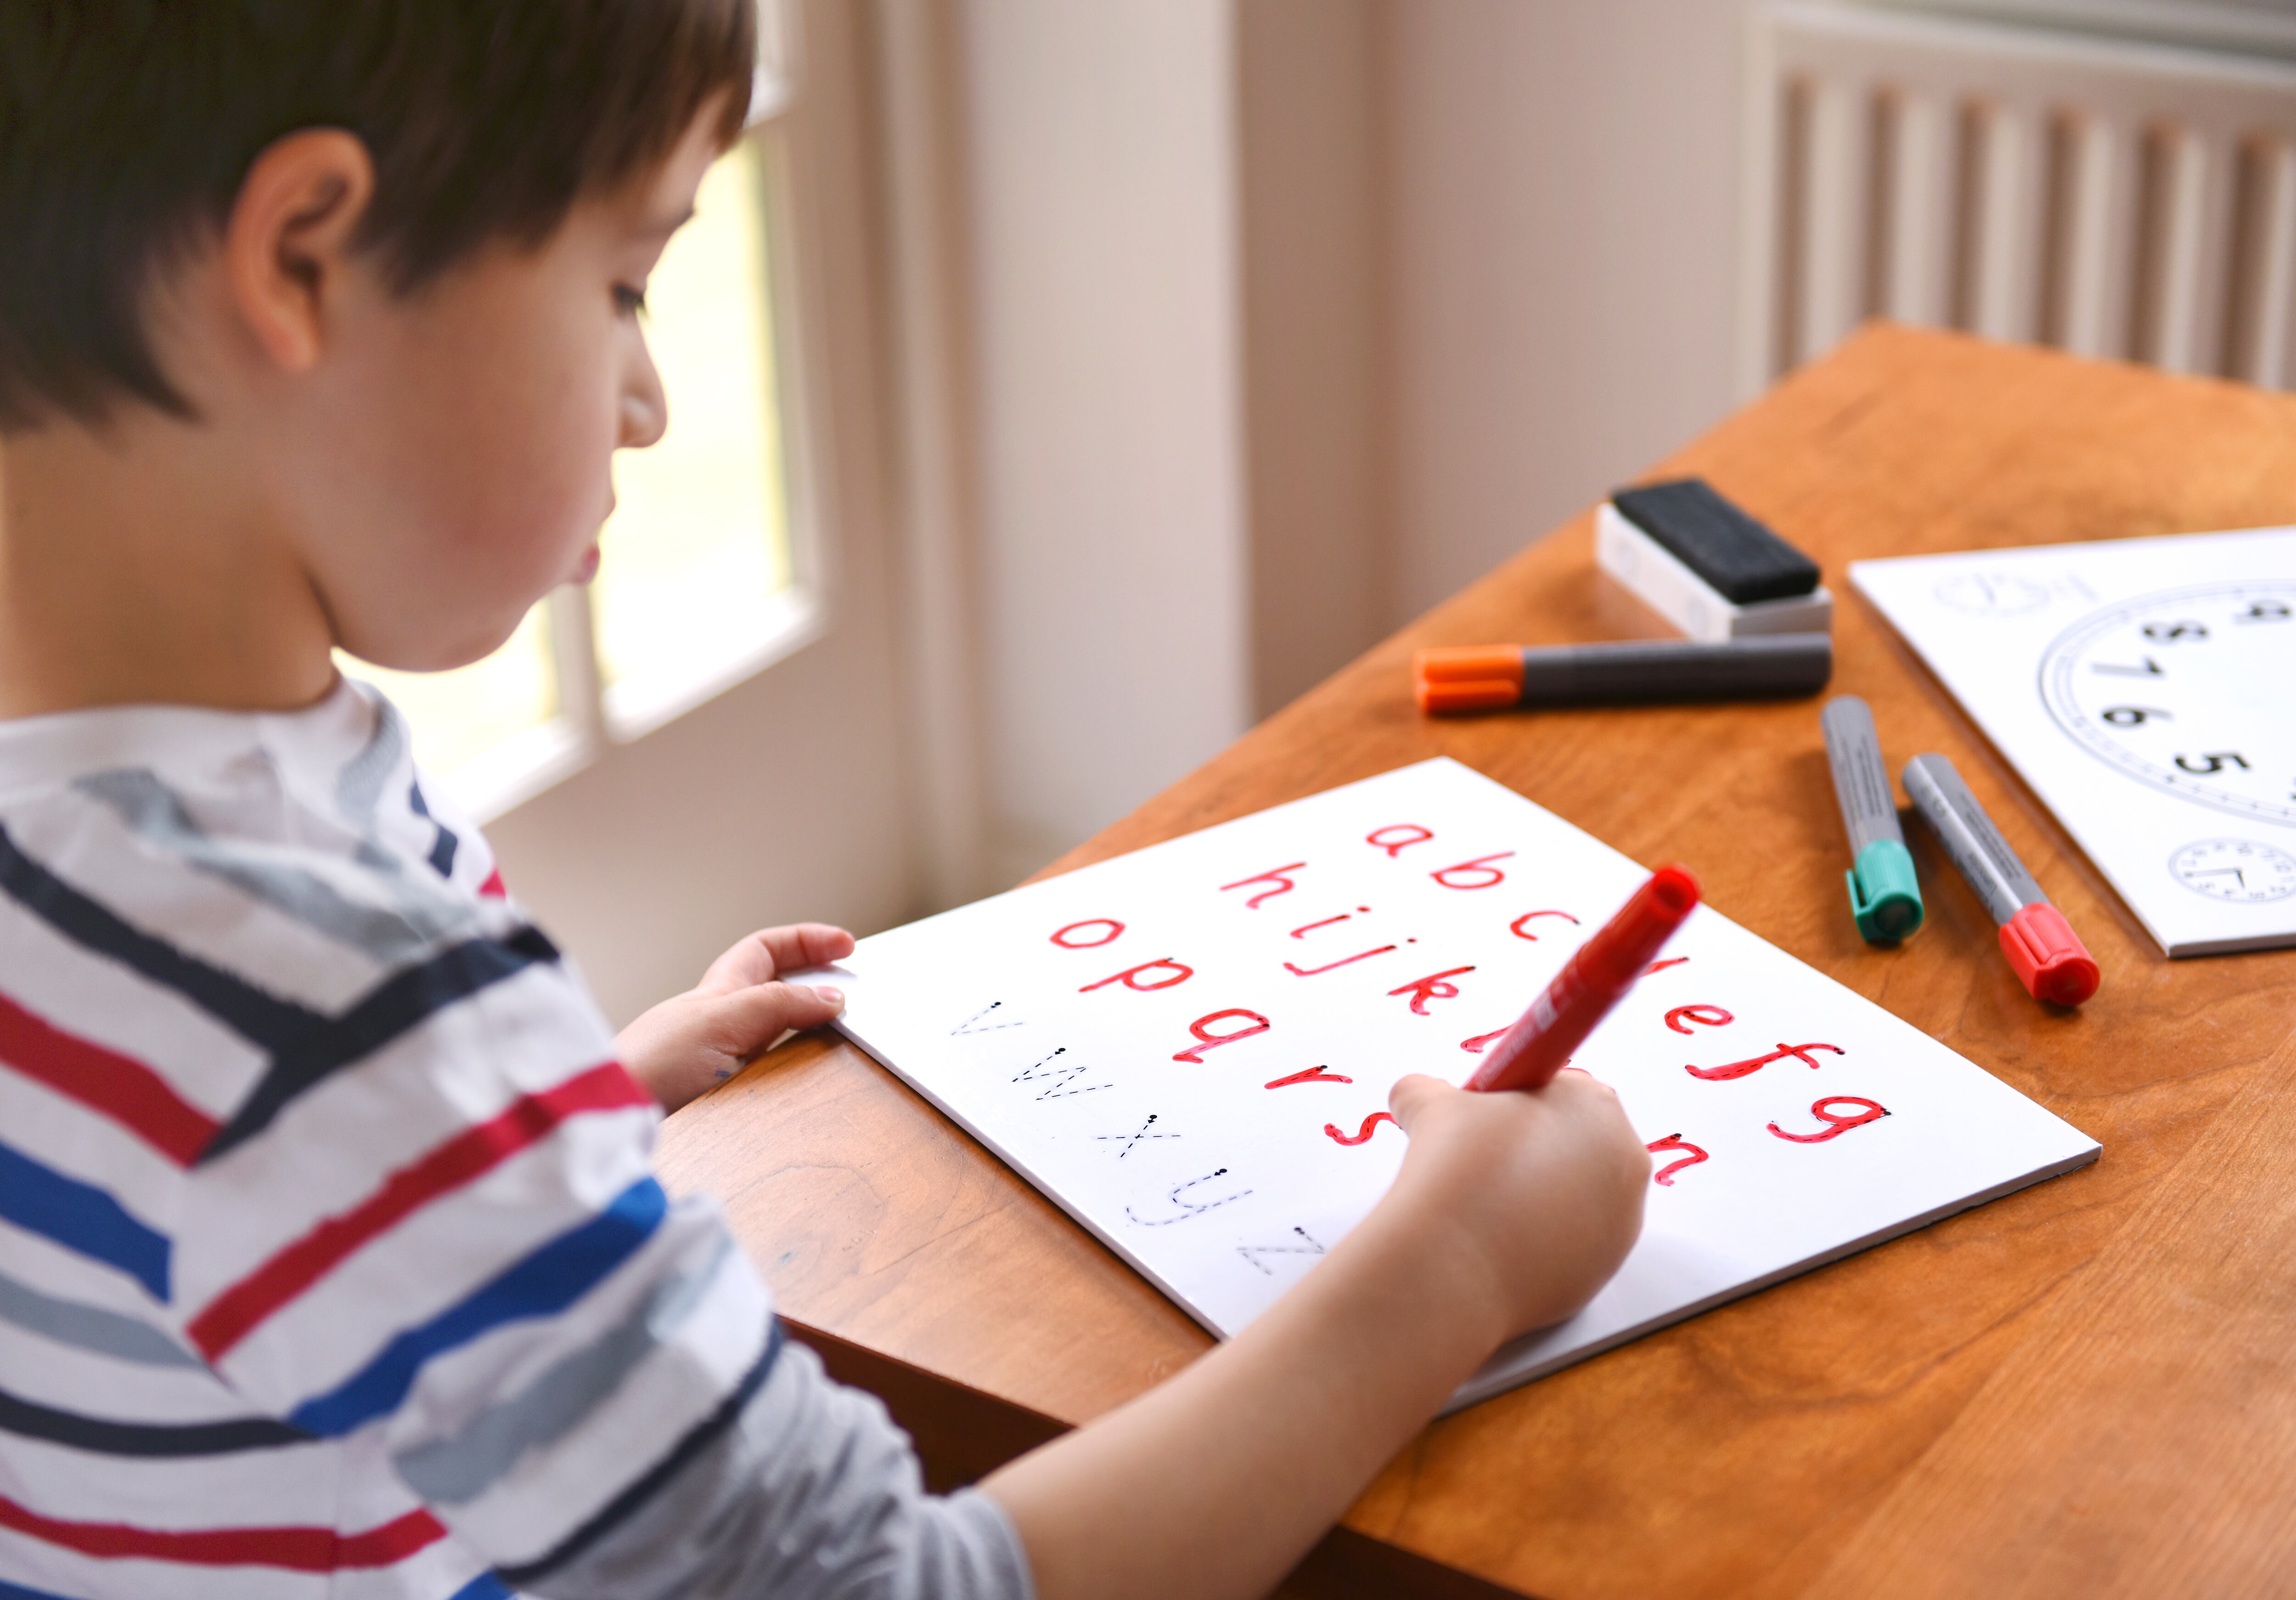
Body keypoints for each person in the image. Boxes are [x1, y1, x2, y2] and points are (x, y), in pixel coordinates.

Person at [0, 5, 1650, 1598]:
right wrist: (1450, 1267)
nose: (649, 400)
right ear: (304, 259)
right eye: (622, 283)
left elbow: (184, 1252)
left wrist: (553, 1116)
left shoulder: (169, 825)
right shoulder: (336, 1018)